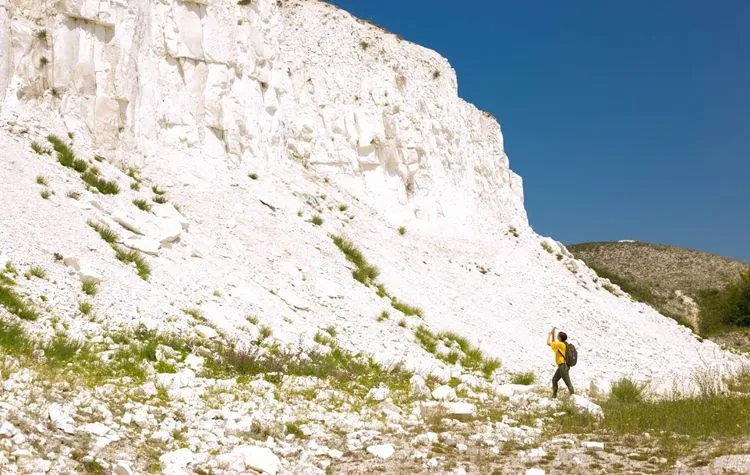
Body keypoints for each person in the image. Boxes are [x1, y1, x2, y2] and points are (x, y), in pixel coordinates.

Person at [547, 326, 574, 398]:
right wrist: (553, 335)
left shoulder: (560, 344)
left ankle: (574, 397)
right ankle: (554, 396)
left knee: (568, 383)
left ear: (560, 338)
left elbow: (549, 343)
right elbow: (553, 344)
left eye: (557, 336)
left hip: (563, 366)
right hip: (562, 366)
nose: (557, 337)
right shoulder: (563, 344)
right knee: (554, 380)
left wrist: (550, 334)